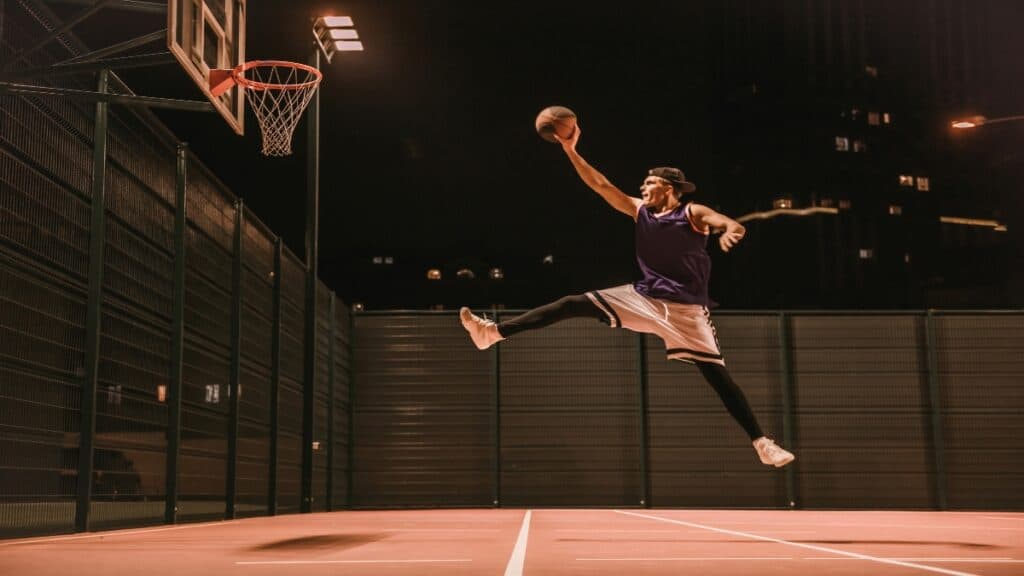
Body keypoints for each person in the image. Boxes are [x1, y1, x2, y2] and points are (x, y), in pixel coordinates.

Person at [459, 123, 794, 468]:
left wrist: (731, 230)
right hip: (643, 297)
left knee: (718, 378)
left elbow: (724, 221)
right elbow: (600, 185)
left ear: (669, 187)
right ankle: (491, 333)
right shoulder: (640, 211)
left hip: (686, 312)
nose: (642, 187)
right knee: (573, 303)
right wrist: (571, 151)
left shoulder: (690, 212)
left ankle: (762, 443)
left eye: (649, 182)